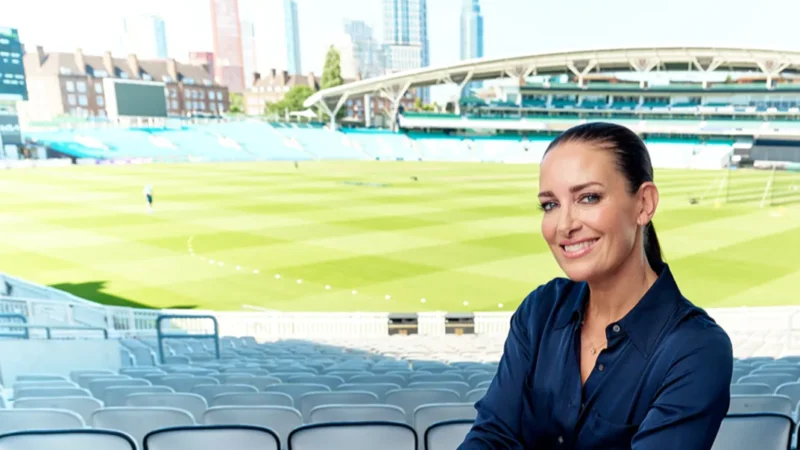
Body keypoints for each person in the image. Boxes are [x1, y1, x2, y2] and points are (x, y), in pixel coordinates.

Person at [459, 122, 733, 450]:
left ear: (644, 203)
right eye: (550, 204)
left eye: (588, 197)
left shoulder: (696, 349)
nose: (564, 225)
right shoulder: (540, 310)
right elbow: (491, 435)